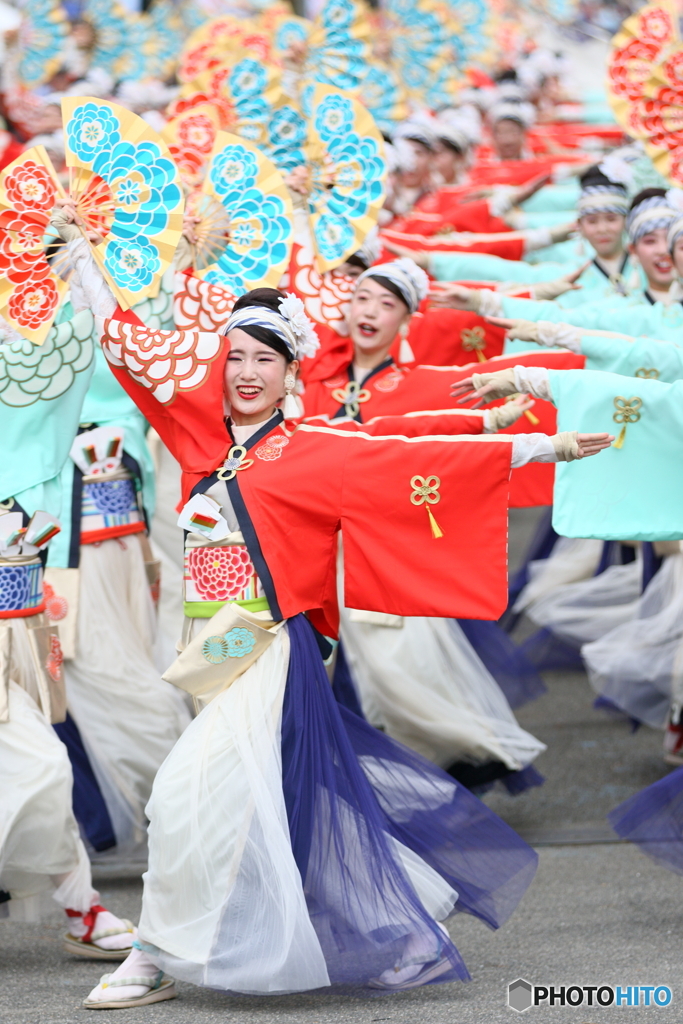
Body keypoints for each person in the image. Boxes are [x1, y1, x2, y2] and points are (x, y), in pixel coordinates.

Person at [51, 216, 611, 1004]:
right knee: (268, 802)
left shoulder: (317, 446)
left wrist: (538, 447)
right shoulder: (195, 431)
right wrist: (83, 267)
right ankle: (385, 925)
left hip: (272, 649)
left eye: (264, 359)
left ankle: (152, 952)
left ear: (291, 372)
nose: (246, 371)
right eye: (235, 357)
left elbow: (416, 454)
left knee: (184, 795)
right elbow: (125, 346)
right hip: (209, 648)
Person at [0, 312, 134, 959]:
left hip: (15, 604)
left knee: (42, 765)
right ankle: (83, 906)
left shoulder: (48, 340)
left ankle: (82, 905)